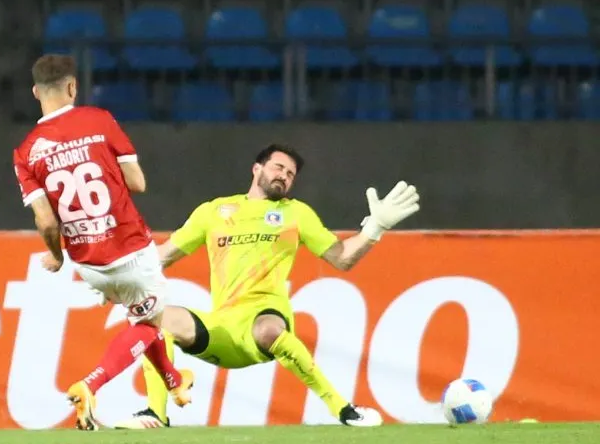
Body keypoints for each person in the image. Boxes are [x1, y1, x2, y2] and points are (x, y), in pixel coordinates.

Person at [113, 144, 420, 429]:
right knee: (152, 318)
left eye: (290, 174)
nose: (284, 176)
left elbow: (342, 259)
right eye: (278, 167)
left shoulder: (296, 213)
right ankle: (156, 413)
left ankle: (342, 409)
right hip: (221, 327)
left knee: (269, 330)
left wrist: (374, 228)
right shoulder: (214, 211)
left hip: (264, 317)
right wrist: (115, 278)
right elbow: (161, 257)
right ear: (256, 169)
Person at [12, 54, 194, 430]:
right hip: (129, 247)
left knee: (142, 313)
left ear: (35, 92)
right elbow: (137, 182)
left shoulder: (26, 151)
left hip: (89, 263)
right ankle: (90, 385)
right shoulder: (99, 120)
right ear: (72, 87)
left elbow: (45, 220)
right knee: (149, 323)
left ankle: (174, 382)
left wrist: (56, 256)